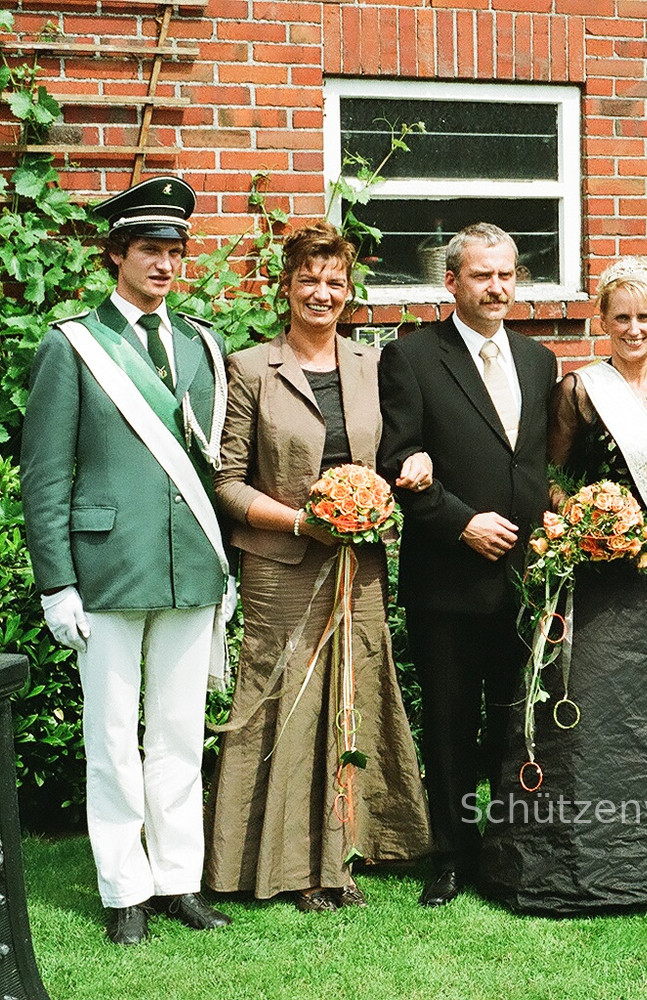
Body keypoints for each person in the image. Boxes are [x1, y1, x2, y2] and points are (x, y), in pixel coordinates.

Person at [477, 257, 647, 913]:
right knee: (593, 706)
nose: (633, 329)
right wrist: (591, 522)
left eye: (644, 316)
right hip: (594, 576)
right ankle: (577, 850)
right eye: (621, 318)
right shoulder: (581, 390)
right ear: (603, 321)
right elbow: (551, 478)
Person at [20, 176, 234, 944]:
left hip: (189, 566)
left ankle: (178, 881)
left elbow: (212, 470)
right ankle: (123, 892)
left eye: (175, 250)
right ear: (116, 254)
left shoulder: (203, 344)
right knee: (111, 738)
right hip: (106, 569)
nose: (165, 264)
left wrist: (224, 569)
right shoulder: (73, 344)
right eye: (150, 249)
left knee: (177, 733)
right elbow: (45, 475)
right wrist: (57, 584)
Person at [204, 221, 432, 910]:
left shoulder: (373, 364)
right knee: (286, 706)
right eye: (309, 279)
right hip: (282, 564)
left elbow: (396, 450)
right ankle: (281, 865)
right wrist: (301, 521)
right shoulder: (251, 367)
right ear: (286, 286)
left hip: (359, 564)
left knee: (353, 699)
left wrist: (413, 465)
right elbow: (227, 483)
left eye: (334, 281)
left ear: (348, 290)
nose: (322, 292)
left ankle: (345, 852)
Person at [378, 223, 558, 907]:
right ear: (451, 281)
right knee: (451, 725)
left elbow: (534, 463)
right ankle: (452, 854)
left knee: (518, 722)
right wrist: (461, 523)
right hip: (449, 579)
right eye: (482, 275)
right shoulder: (412, 357)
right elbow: (397, 461)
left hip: (524, 582)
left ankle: (511, 846)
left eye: (506, 274)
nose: (497, 287)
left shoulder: (539, 360)